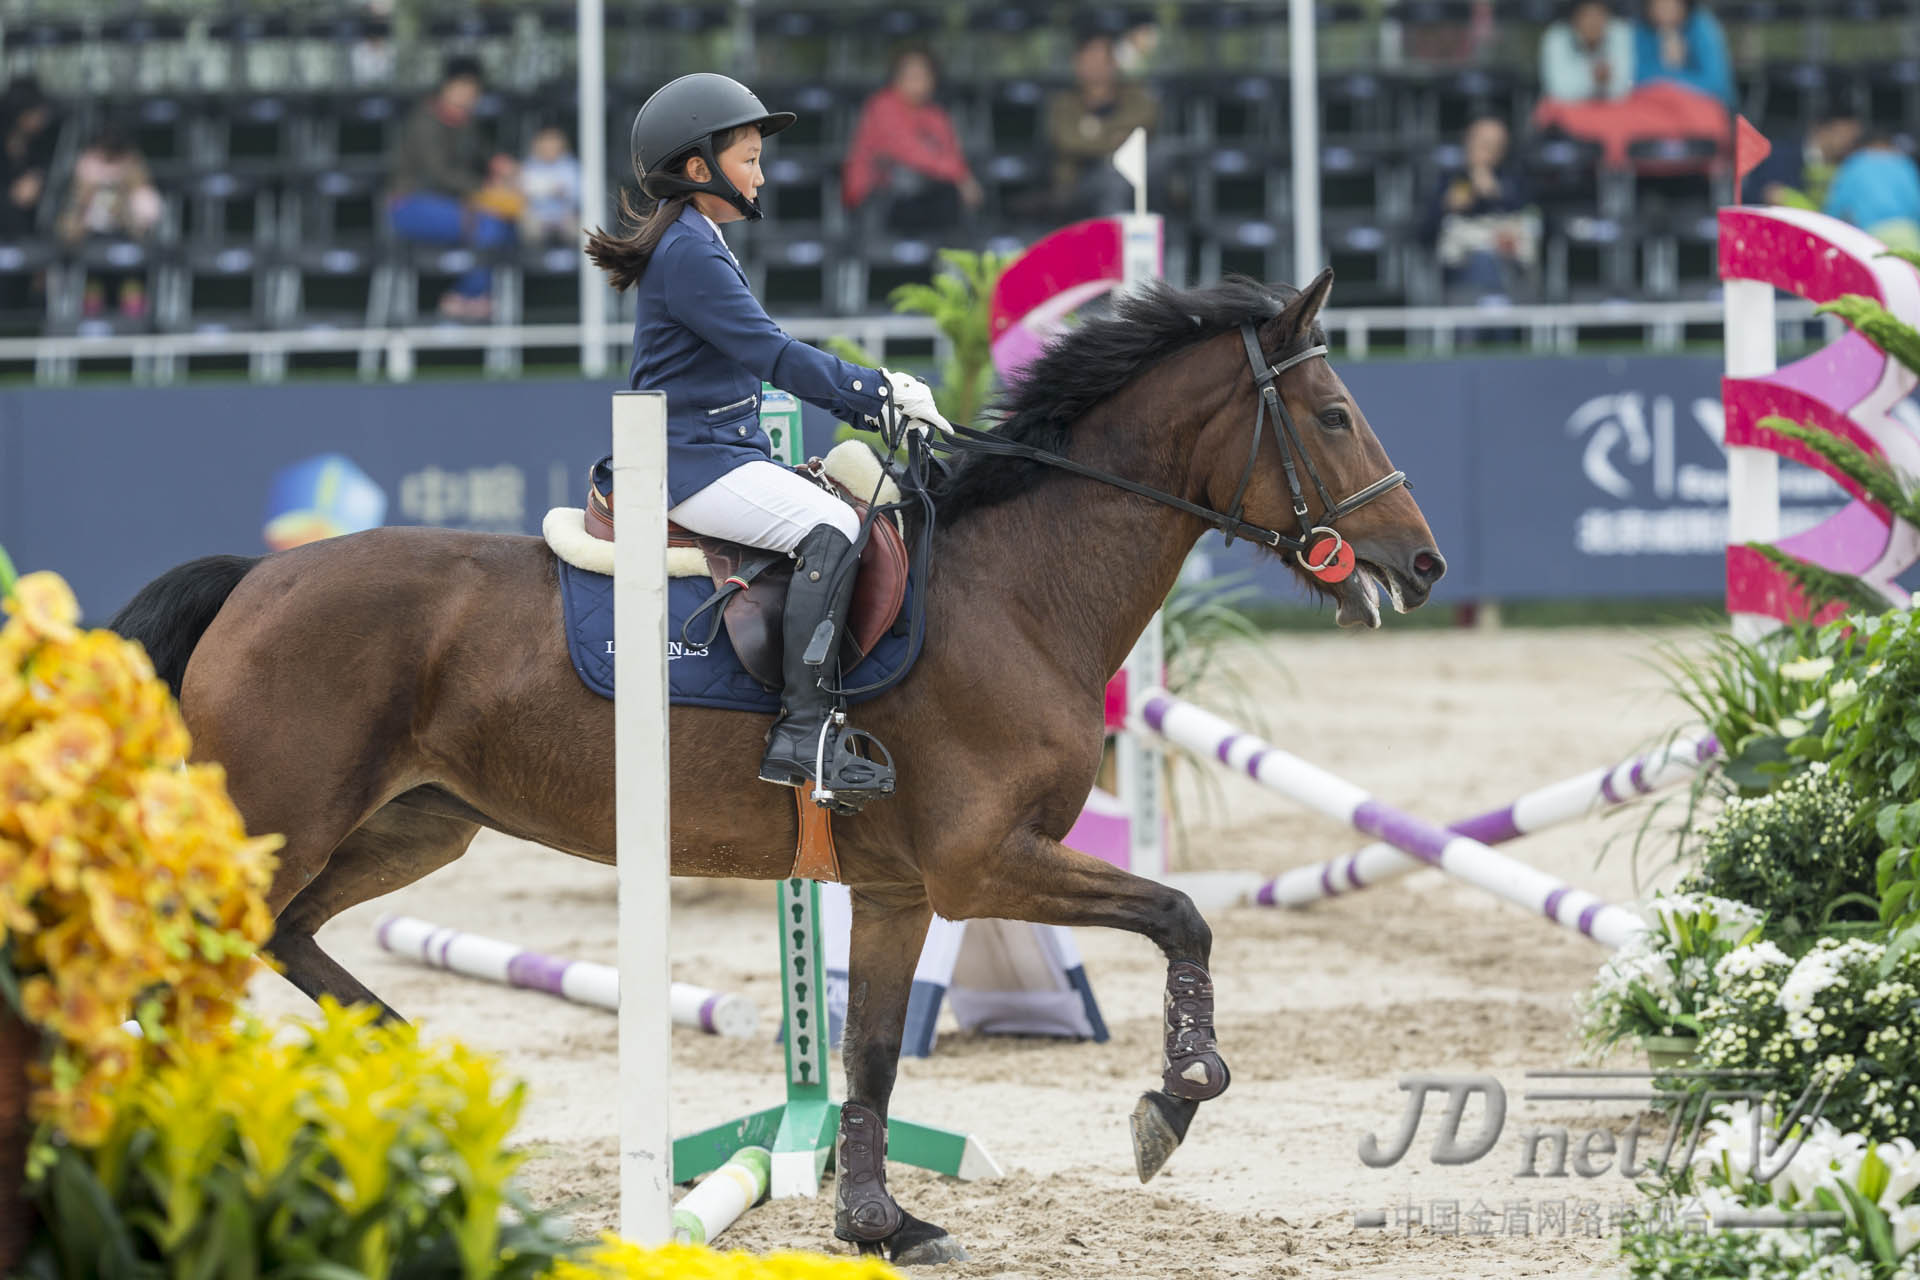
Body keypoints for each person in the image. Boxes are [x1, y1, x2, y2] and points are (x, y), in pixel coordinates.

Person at [585, 73, 953, 798]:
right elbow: (774, 354)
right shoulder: (691, 250)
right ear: (700, 168)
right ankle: (801, 732)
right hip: (691, 464)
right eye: (749, 157)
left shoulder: (699, 238)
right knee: (834, 527)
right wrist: (875, 394)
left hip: (716, 452)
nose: (762, 172)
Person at [387, 56, 515, 321]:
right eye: (463, 86)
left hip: (453, 204)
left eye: (474, 88)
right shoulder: (424, 120)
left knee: (506, 224)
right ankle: (464, 296)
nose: (469, 94)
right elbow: (439, 175)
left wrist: (506, 169)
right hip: (412, 205)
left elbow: (488, 157)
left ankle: (472, 296)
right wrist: (485, 189)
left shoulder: (466, 121)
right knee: (489, 225)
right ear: (446, 86)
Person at [841, 48, 980, 234]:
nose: (918, 80)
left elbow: (951, 153)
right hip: (880, 199)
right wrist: (961, 176)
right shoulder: (882, 106)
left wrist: (960, 176)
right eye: (911, 74)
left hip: (925, 196)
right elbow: (910, 152)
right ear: (896, 78)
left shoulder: (936, 114)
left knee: (949, 196)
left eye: (924, 74)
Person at [1422, 118, 1540, 306]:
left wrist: (1496, 194)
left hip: (1508, 260)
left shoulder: (1514, 178)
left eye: (1497, 145)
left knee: (1494, 261)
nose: (1490, 150)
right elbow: (1423, 233)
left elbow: (1533, 219)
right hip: (1460, 264)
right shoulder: (1446, 178)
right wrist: (1446, 207)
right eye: (1484, 143)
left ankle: (1496, 317)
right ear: (1467, 141)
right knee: (1482, 261)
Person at [1045, 32, 1158, 219]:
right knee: (1113, 177)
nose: (1094, 68)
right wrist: (1116, 139)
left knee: (1159, 156)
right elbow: (1067, 142)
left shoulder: (1135, 96)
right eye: (1088, 60)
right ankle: (1113, 242)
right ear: (1077, 64)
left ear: (1113, 64)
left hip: (1135, 180)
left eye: (1100, 60)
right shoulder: (1063, 104)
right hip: (1079, 182)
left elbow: (1146, 124)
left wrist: (1096, 135)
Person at [56, 127, 162, 320]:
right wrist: (87, 199)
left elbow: (149, 212)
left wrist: (125, 198)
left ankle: (134, 321)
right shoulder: (87, 165)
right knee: (91, 271)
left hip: (127, 234)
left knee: (132, 269)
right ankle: (91, 319)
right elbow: (69, 219)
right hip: (89, 236)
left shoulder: (134, 165)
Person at [1823, 136, 1920, 253]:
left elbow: (1837, 205)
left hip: (1872, 234)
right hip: (1907, 233)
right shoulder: (1904, 163)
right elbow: (1915, 202)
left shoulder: (1855, 164)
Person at [1741, 115, 1861, 208]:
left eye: (1853, 139)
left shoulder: (1847, 167)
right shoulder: (1780, 155)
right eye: (1843, 134)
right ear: (1821, 129)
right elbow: (1766, 194)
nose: (1847, 143)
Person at [1634, 0, 1732, 106]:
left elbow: (1716, 84)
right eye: (1657, 4)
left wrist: (1675, 76)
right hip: (1656, 105)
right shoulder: (1643, 30)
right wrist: (1668, 68)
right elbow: (1639, 79)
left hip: (1702, 106)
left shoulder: (1702, 27)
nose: (1664, 10)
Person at [1539, 1, 1634, 104]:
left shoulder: (1619, 32)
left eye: (1599, 14)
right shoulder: (1557, 36)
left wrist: (1605, 81)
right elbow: (1556, 90)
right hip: (1568, 111)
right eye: (1587, 15)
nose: (1594, 22)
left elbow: (1625, 88)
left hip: (1608, 111)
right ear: (1574, 18)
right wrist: (1592, 79)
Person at [0, 78, 57, 240]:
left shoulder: (43, 144)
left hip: (30, 234)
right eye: (36, 112)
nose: (43, 117)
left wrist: (39, 179)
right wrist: (10, 197)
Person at [520, 124, 582, 246]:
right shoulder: (530, 165)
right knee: (529, 226)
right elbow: (525, 190)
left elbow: (578, 194)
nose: (549, 148)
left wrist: (561, 192)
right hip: (538, 215)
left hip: (565, 215)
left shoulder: (570, 165)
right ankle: (534, 262)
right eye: (546, 144)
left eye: (553, 144)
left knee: (578, 228)